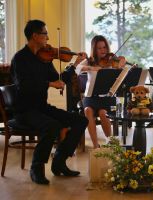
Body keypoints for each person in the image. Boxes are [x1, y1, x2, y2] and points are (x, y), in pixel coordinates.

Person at [10, 20, 88, 185]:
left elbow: (59, 79)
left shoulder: (44, 58)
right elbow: (23, 86)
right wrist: (49, 84)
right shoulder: (20, 58)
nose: (48, 37)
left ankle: (59, 161)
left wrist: (74, 64)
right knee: (52, 125)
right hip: (24, 111)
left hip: (41, 108)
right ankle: (36, 168)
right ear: (35, 36)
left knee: (81, 120)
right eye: (45, 33)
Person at [75, 35, 127, 148]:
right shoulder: (89, 61)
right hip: (91, 97)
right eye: (99, 48)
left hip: (107, 97)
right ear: (94, 49)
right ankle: (95, 146)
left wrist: (121, 62)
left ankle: (111, 143)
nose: (103, 50)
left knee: (103, 113)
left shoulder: (112, 60)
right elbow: (76, 68)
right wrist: (91, 68)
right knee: (88, 110)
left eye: (104, 47)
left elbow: (122, 68)